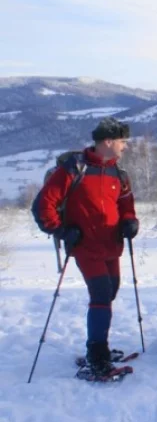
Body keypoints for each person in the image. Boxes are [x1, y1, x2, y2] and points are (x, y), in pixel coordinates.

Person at [32, 117, 138, 378]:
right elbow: (42, 205)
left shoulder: (118, 174)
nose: (125, 146)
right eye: (123, 141)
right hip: (85, 247)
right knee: (101, 294)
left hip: (111, 246)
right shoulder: (74, 169)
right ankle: (97, 355)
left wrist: (130, 222)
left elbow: (126, 206)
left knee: (110, 291)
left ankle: (99, 345)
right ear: (108, 141)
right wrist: (60, 230)